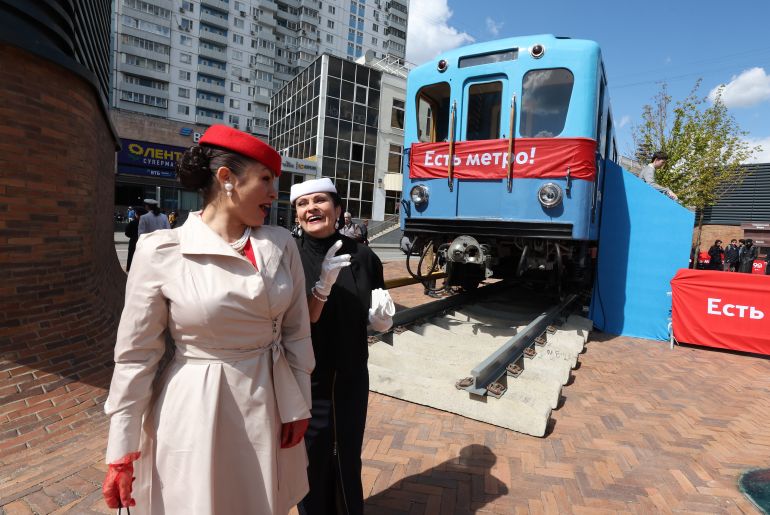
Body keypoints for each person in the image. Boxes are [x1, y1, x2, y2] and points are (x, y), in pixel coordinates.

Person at [102, 125, 315, 514]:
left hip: (271, 398)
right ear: (226, 178)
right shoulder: (162, 250)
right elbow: (136, 355)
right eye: (266, 179)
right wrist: (121, 448)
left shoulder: (281, 244)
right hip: (198, 405)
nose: (274, 193)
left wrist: (297, 404)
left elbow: (297, 333)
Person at [290, 178, 394, 515]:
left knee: (347, 452)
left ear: (338, 210)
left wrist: (380, 323)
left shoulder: (364, 257)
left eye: (320, 201)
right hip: (306, 377)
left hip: (350, 375)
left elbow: (372, 306)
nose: (312, 208)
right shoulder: (287, 258)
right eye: (303, 204)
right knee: (311, 457)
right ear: (296, 215)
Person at [123, 207, 147, 272]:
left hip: (133, 241)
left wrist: (133, 236)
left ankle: (129, 269)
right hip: (144, 242)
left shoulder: (132, 223)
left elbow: (127, 233)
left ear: (136, 214)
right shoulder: (146, 223)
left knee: (131, 256)